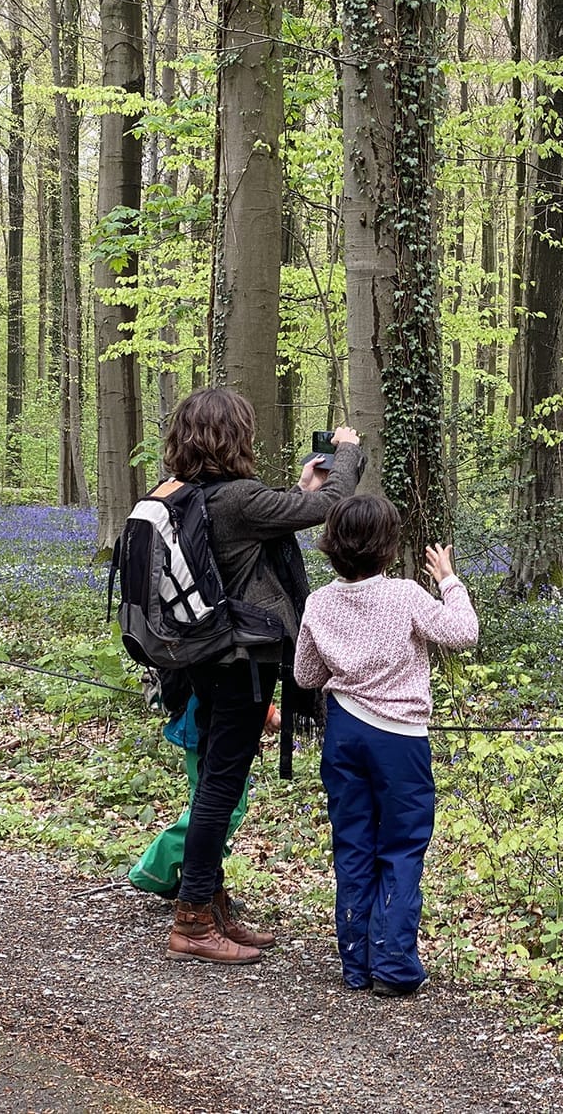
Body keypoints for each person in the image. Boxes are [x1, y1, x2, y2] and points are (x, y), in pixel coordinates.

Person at [162, 387, 365, 964]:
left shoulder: (182, 493)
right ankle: (194, 922)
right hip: (241, 664)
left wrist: (299, 492)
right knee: (221, 786)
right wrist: (345, 455)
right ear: (233, 438)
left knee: (213, 780)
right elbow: (333, 507)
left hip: (204, 656)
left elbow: (250, 537)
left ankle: (209, 901)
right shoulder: (239, 498)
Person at [293, 495, 478, 996]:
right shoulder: (404, 596)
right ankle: (393, 967)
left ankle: (356, 964)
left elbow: (305, 674)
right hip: (400, 741)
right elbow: (463, 632)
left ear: (331, 548)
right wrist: (448, 579)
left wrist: (345, 664)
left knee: (353, 845)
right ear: (389, 550)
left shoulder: (318, 603)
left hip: (344, 736)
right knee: (401, 847)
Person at [128, 685, 275, 900]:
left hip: (210, 724)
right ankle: (155, 870)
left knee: (220, 806)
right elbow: (227, 671)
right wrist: (267, 712)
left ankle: (204, 887)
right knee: (220, 808)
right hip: (207, 726)